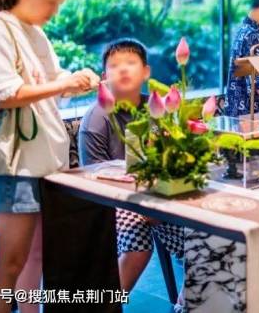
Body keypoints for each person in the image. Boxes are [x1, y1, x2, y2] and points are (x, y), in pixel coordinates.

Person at [0, 0, 98, 313]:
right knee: (10, 261)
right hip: (16, 163)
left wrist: (75, 82)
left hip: (42, 160)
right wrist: (62, 83)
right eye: (51, 2)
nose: (54, 11)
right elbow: (3, 94)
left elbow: (51, 82)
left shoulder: (33, 33)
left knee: (35, 255)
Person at [78, 38, 186, 294]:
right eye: (115, 65)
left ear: (146, 72)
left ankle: (186, 302)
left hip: (155, 196)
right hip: (112, 201)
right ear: (104, 77)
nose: (123, 69)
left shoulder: (156, 108)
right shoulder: (96, 118)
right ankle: (106, 306)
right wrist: (140, 203)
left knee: (201, 238)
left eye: (130, 63)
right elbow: (94, 180)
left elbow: (170, 159)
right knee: (138, 246)